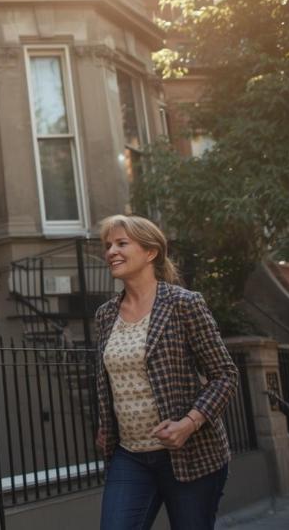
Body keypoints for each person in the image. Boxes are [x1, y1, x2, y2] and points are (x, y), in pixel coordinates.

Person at [94, 214, 239, 530]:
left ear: (150, 252)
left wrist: (190, 423)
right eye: (108, 245)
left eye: (121, 243)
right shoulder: (105, 315)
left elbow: (224, 375)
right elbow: (110, 379)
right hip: (130, 455)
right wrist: (107, 423)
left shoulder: (184, 304)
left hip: (191, 456)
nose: (111, 252)